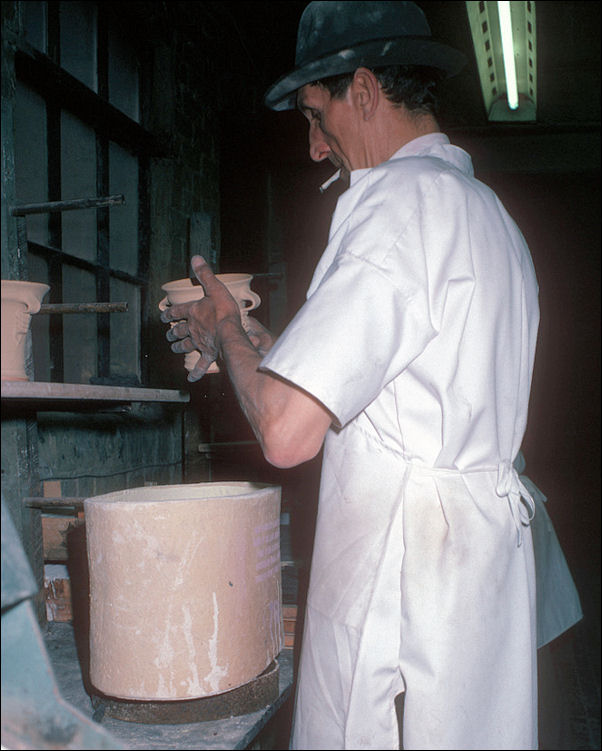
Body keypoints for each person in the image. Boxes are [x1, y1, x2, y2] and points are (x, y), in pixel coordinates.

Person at [161, 2, 545, 748]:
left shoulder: (398, 203)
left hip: (402, 583)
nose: (313, 147)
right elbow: (396, 388)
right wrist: (265, 353)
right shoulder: (487, 214)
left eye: (316, 114)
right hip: (474, 581)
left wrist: (227, 331)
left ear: (363, 91)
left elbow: (284, 431)